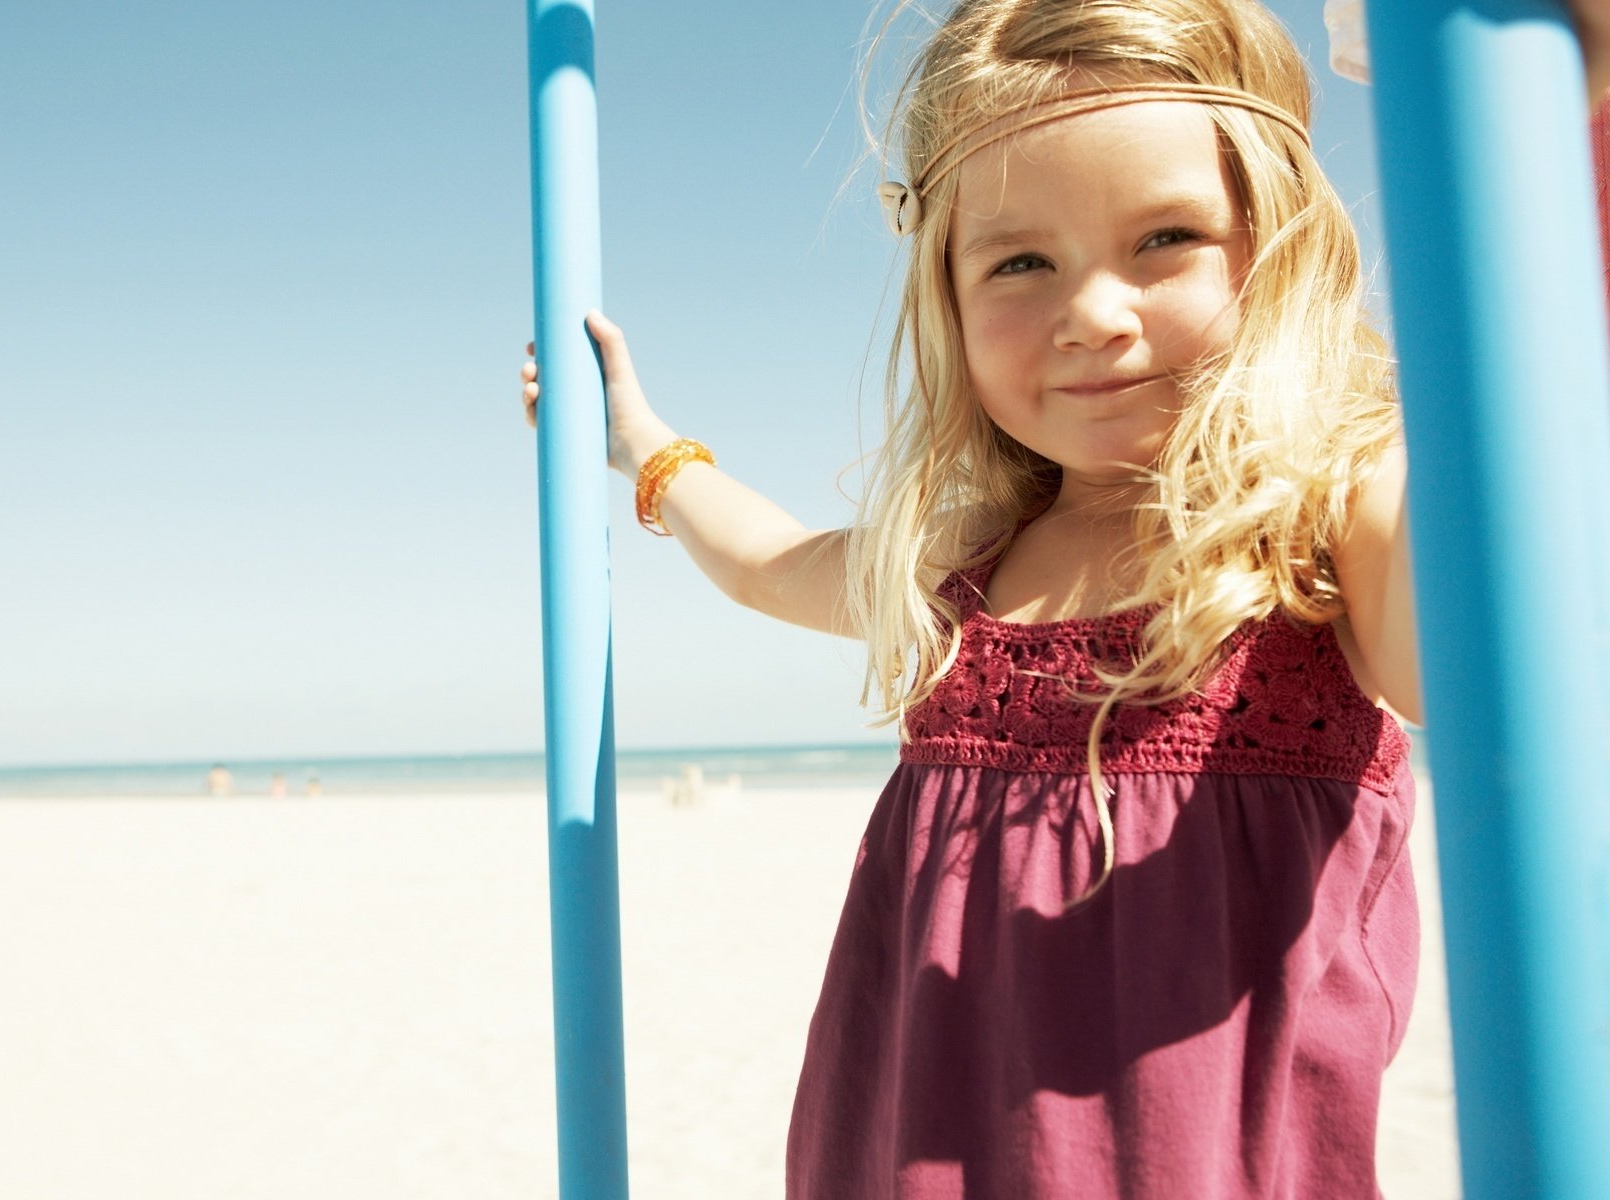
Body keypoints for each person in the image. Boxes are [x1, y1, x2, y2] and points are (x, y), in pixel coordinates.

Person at [520, 0, 1610, 1194]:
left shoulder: (1331, 513)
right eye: (1022, 262)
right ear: (947, 297)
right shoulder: (966, 567)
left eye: (1168, 239)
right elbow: (769, 561)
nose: (1092, 314)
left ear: (1282, 241)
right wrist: (642, 444)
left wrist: (1569, 126)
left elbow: (1488, 636)